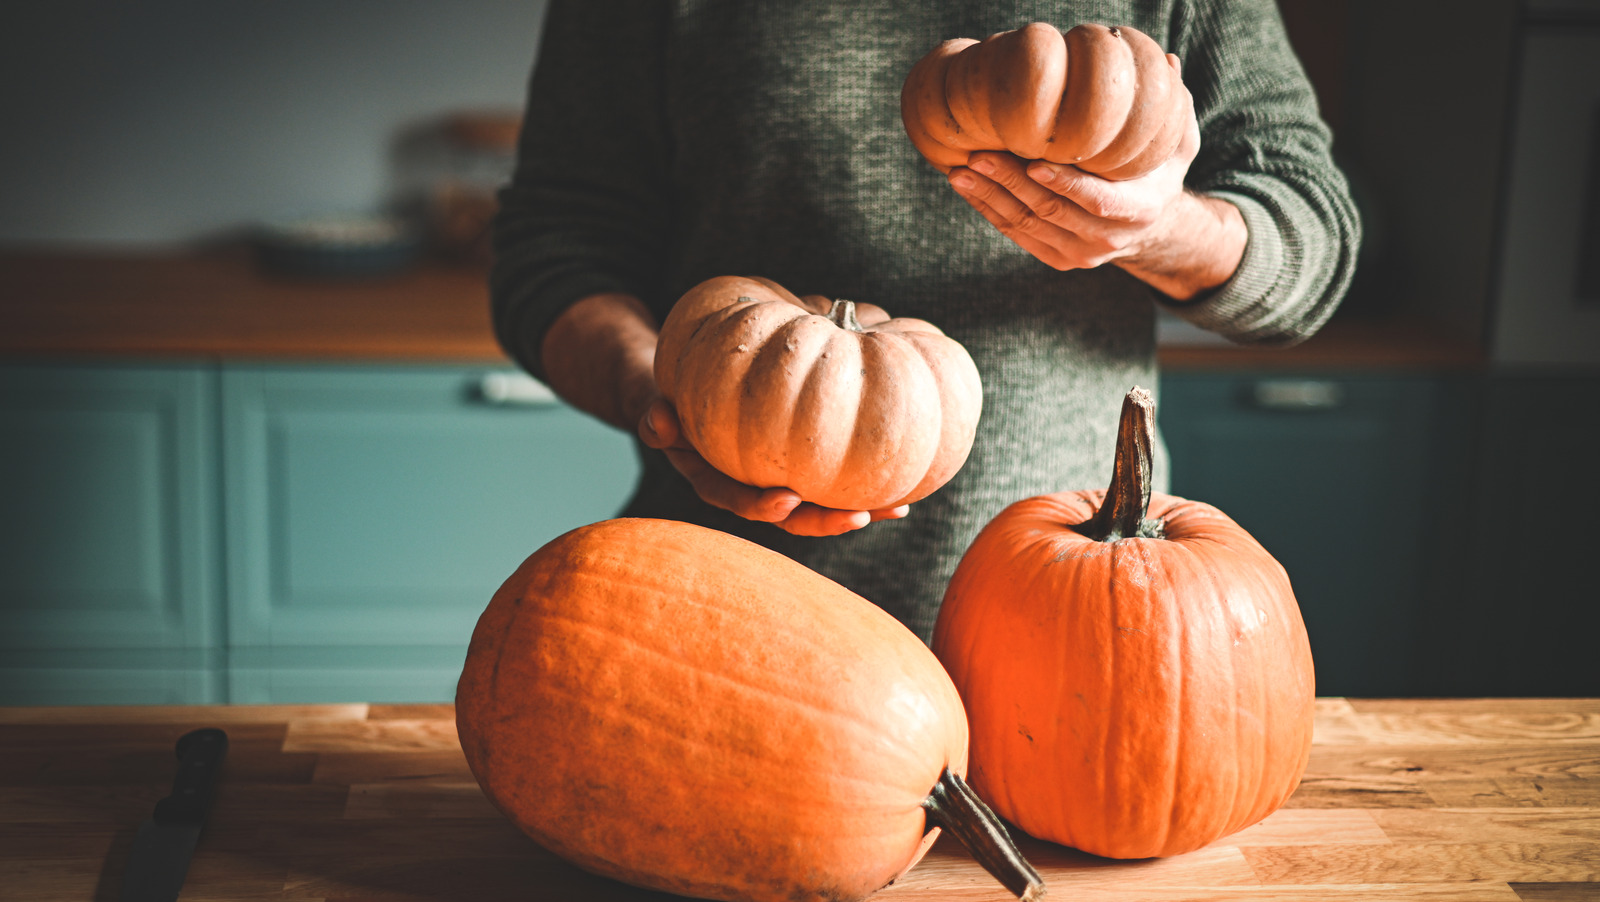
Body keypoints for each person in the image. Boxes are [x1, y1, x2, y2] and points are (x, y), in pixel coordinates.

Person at [490, 0, 1360, 642]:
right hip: (727, 616)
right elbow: (554, 247)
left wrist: (1158, 229)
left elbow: (1313, 242)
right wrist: (667, 396)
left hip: (1083, 617)